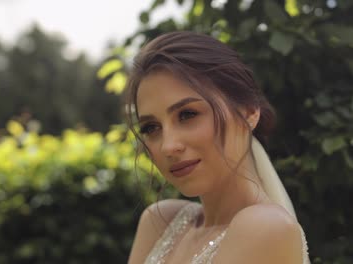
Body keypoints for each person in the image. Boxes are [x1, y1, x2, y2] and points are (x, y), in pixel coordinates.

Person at [126, 31, 309, 264]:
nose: (168, 146)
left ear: (249, 111)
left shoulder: (267, 227)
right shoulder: (159, 222)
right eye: (151, 128)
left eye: (188, 114)